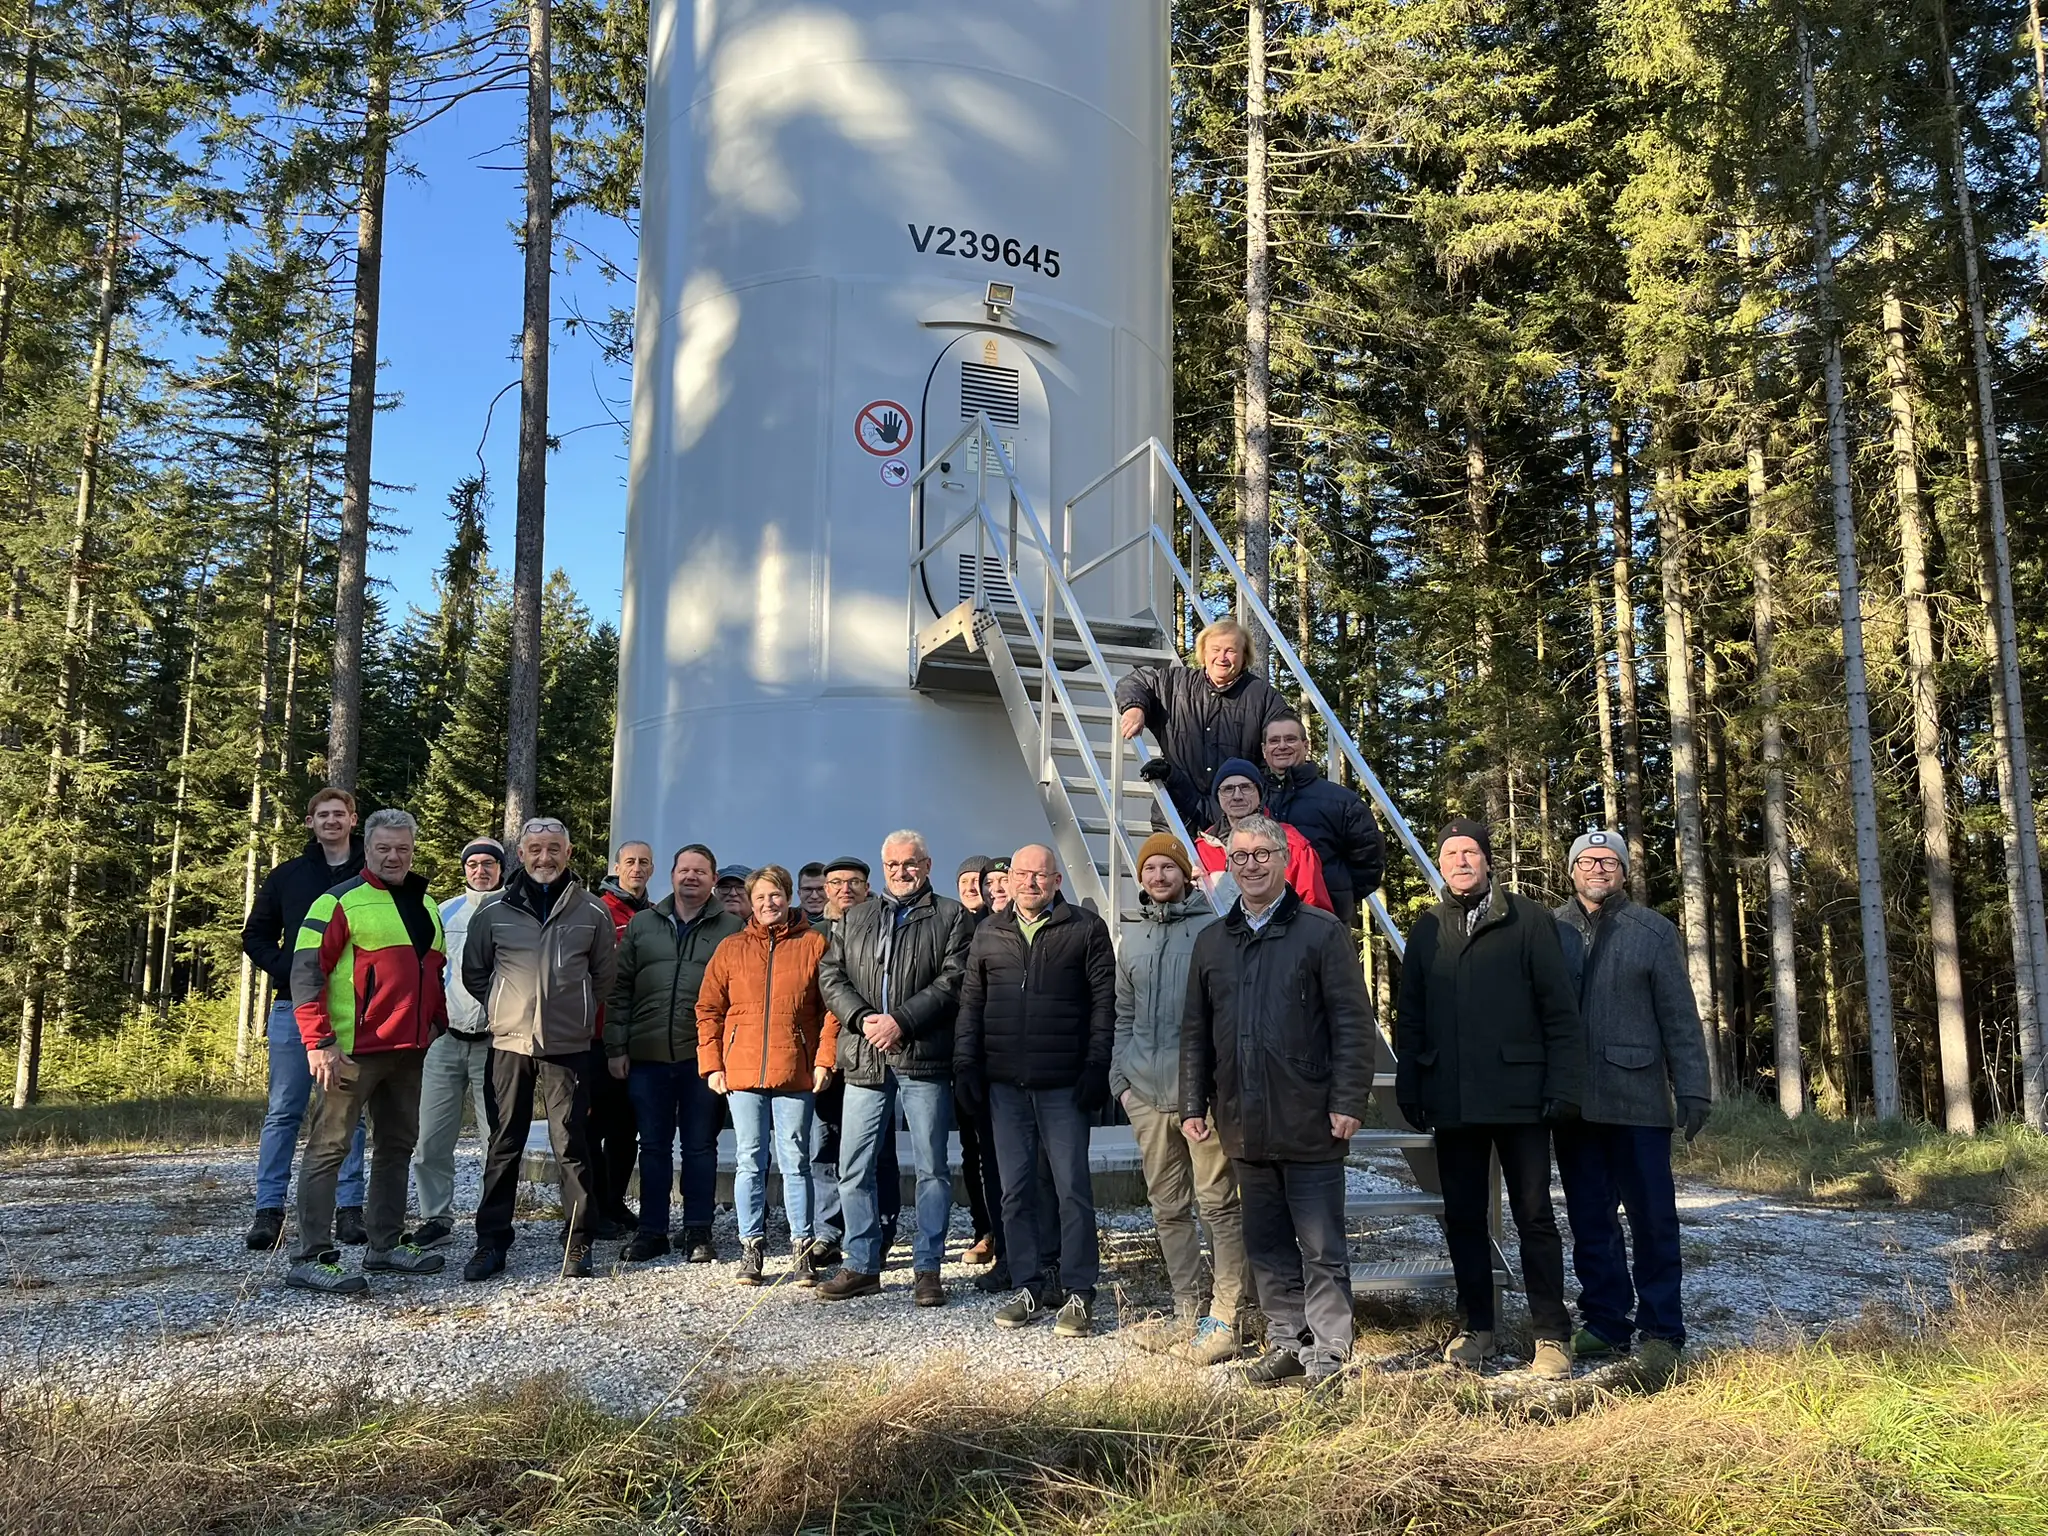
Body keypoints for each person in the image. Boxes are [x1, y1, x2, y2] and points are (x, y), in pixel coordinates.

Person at [1181, 816, 1374, 1386]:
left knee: (1320, 1245)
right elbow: (1196, 1030)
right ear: (1229, 866)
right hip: (1243, 1119)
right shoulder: (1214, 941)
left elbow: (1351, 1022)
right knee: (1266, 1245)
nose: (1251, 865)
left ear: (1284, 859)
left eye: (1262, 854)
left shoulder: (1320, 932)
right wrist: (1194, 1102)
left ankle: (1331, 1353)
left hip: (1311, 1114)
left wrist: (1349, 1099)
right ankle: (1288, 1342)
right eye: (1239, 857)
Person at [1396, 818, 1584, 1380]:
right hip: (1453, 1099)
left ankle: (1551, 1334)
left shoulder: (1527, 921)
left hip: (1521, 1097)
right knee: (1463, 1217)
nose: (1460, 861)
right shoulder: (1427, 928)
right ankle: (1477, 1327)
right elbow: (1412, 1015)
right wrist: (1412, 1082)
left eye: (1469, 852)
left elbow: (1559, 1011)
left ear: (1487, 860)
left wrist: (1562, 1084)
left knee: (1533, 1215)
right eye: (1450, 852)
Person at [1551, 830, 1710, 1381]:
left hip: (1639, 1100)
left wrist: (1693, 1086)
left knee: (1653, 1219)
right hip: (1573, 1103)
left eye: (1610, 860)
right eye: (1588, 860)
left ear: (1623, 871)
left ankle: (1663, 1329)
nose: (1599, 868)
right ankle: (1605, 1321)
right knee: (1591, 1218)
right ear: (1572, 870)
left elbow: (1680, 1016)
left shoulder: (1654, 931)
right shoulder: (1550, 929)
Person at [954, 844, 1115, 1338]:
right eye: (1021, 874)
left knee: (1071, 1189)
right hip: (1006, 1086)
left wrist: (1096, 1066)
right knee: (1015, 1190)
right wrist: (965, 1063)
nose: (1029, 883)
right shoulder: (990, 931)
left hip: (1064, 1084)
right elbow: (971, 1004)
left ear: (1056, 880)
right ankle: (1027, 1284)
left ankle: (1079, 1290)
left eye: (1039, 875)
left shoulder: (1084, 929)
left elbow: (1104, 1004)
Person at [285, 808, 448, 1293]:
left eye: (403, 848)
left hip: (410, 1051)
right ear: (368, 848)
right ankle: (310, 1256)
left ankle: (385, 1245)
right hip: (350, 1051)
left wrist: (435, 1024)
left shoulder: (428, 904)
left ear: (412, 850)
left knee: (398, 1146)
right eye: (383, 848)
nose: (394, 856)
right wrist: (319, 1041)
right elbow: (306, 973)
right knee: (328, 1148)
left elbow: (432, 973)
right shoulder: (337, 902)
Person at [816, 831, 975, 1306]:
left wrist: (901, 1021)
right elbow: (831, 975)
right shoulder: (855, 917)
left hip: (923, 1057)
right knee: (854, 1166)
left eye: (910, 864)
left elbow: (954, 980)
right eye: (892, 865)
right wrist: (865, 1020)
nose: (901, 872)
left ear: (927, 865)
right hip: (866, 1056)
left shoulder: (951, 916)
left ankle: (928, 1268)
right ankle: (861, 1263)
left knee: (931, 1168)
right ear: (882, 868)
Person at [1112, 832, 1251, 1366]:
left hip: (1202, 1095)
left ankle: (1226, 1317)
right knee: (1168, 1207)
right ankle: (1186, 1314)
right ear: (1142, 877)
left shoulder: (1213, 930)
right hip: (1145, 1094)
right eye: (1150, 869)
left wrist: (1217, 1087)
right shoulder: (1134, 938)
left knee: (1218, 1205)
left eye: (1168, 867)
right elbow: (1122, 1015)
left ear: (1184, 874)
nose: (1158, 876)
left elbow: (1228, 1015)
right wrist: (1120, 1082)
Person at [462, 817, 618, 1282]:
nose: (544, 858)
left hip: (567, 1045)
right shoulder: (493, 912)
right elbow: (475, 973)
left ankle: (578, 1242)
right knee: (504, 1141)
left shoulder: (592, 912)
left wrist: (578, 1009)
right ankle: (491, 1243)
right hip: (510, 1043)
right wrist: (501, 1003)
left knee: (570, 1142)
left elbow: (604, 976)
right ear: (521, 854)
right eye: (535, 849)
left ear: (568, 854)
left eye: (554, 849)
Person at [696, 864, 838, 1285]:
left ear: (788, 895)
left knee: (795, 1161)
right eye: (759, 898)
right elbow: (708, 1009)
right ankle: (751, 1248)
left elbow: (829, 1009)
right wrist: (712, 1063)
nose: (767, 904)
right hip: (741, 1071)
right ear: (751, 903)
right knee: (749, 1159)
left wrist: (823, 1060)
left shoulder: (814, 943)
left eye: (774, 895)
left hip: (796, 1070)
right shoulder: (731, 948)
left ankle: (802, 1248)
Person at [241, 786, 368, 1251]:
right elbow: (254, 935)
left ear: (354, 820)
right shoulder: (288, 876)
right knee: (283, 1112)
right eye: (323, 814)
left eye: (340, 814)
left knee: (346, 1113)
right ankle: (268, 1211)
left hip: (352, 1011)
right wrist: (289, 969)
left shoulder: (370, 875)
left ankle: (349, 1210)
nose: (332, 821)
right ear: (310, 822)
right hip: (292, 1009)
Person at [607, 843, 744, 1263]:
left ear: (713, 879)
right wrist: (616, 1046)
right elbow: (620, 989)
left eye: (700, 871)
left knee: (701, 1147)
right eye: (684, 870)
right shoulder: (645, 924)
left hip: (703, 1057)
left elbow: (740, 997)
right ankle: (652, 1231)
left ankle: (697, 1230)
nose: (691, 877)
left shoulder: (731, 929)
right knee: (652, 1146)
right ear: (671, 875)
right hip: (647, 1055)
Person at [405, 836, 503, 1247]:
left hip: (495, 1043)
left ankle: (493, 1219)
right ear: (464, 869)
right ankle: (436, 1218)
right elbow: (424, 970)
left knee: (494, 1139)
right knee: (430, 1139)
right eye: (473, 864)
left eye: (488, 864)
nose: (480, 871)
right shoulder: (442, 911)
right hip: (445, 1040)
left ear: (501, 868)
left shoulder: (514, 911)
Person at [1115, 617, 1293, 832]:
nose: (1222, 657)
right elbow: (1134, 682)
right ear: (1203, 653)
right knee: (1170, 865)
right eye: (1215, 649)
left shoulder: (1263, 696)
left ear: (1244, 657)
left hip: (1237, 818)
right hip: (1176, 811)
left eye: (1231, 651)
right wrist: (1135, 708)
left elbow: (1287, 739)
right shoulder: (1174, 683)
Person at [810, 854, 895, 1262]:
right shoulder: (811, 934)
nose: (846, 889)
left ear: (867, 886)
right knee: (825, 1143)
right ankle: (829, 1229)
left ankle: (881, 1225)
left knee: (878, 1147)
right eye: (837, 882)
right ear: (826, 889)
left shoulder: (888, 924)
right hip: (826, 1056)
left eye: (855, 882)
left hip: (873, 1050)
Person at [1261, 715, 1386, 929]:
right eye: (1274, 741)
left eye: (1290, 739)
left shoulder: (1342, 801)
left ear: (1306, 745)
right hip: (1263, 921)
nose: (1282, 746)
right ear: (1264, 749)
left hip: (1325, 922)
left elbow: (1369, 862)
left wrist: (1337, 893)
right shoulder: (1250, 800)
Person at [587, 842, 654, 1237]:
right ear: (616, 867)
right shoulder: (598, 910)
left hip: (637, 1038)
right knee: (591, 1128)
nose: (637, 868)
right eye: (630, 862)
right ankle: (589, 1209)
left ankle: (614, 1203)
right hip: (595, 1037)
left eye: (644, 862)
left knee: (626, 1129)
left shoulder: (656, 914)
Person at [951, 855, 1004, 1268]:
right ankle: (985, 1229)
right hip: (967, 1054)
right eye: (968, 880)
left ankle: (1009, 1233)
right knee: (975, 1150)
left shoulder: (1001, 925)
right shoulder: (956, 926)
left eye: (982, 880)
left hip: (1005, 1057)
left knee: (1005, 1151)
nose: (977, 887)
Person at [1193, 760, 1333, 913]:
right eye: (1228, 789)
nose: (1237, 796)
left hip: (1282, 935)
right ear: (1218, 796)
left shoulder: (1291, 843)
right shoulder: (1202, 848)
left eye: (1246, 787)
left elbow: (1316, 908)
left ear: (1259, 793)